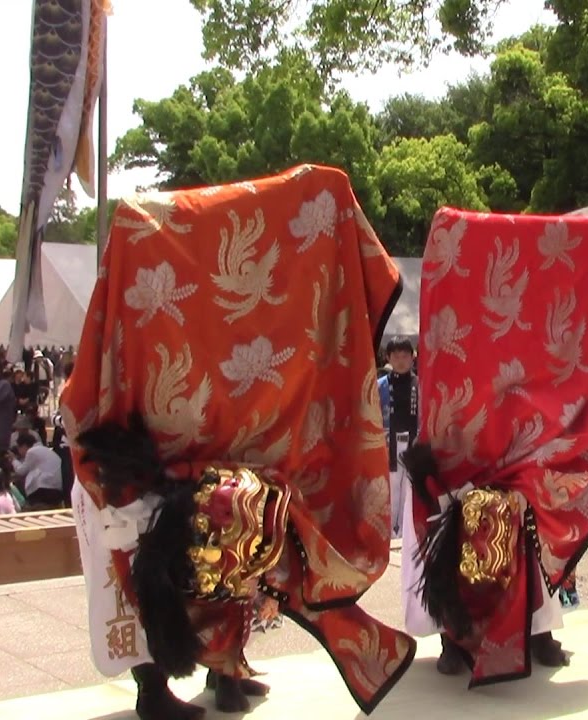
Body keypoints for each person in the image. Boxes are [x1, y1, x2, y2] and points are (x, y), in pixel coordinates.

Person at [63, 166, 413, 718]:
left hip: (196, 448)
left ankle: (225, 672)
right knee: (149, 567)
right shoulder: (138, 264)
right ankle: (152, 691)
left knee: (234, 550)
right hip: (135, 455)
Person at [402, 207, 588, 683]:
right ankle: (455, 635)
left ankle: (539, 633)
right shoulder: (463, 302)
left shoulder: (536, 321)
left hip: (530, 434)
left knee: (538, 530)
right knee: (455, 525)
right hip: (466, 427)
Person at [377, 338, 417, 538]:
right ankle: (389, 529)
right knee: (391, 486)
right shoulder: (380, 386)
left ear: (412, 358)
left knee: (408, 486)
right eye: (396, 356)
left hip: (412, 441)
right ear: (388, 357)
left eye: (405, 356)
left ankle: (403, 529)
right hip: (389, 441)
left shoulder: (419, 384)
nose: (401, 361)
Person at [8, 431, 63, 508]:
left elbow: (21, 471)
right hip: (56, 489)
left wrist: (13, 459)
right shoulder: (45, 450)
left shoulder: (32, 451)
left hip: (43, 489)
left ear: (23, 446)